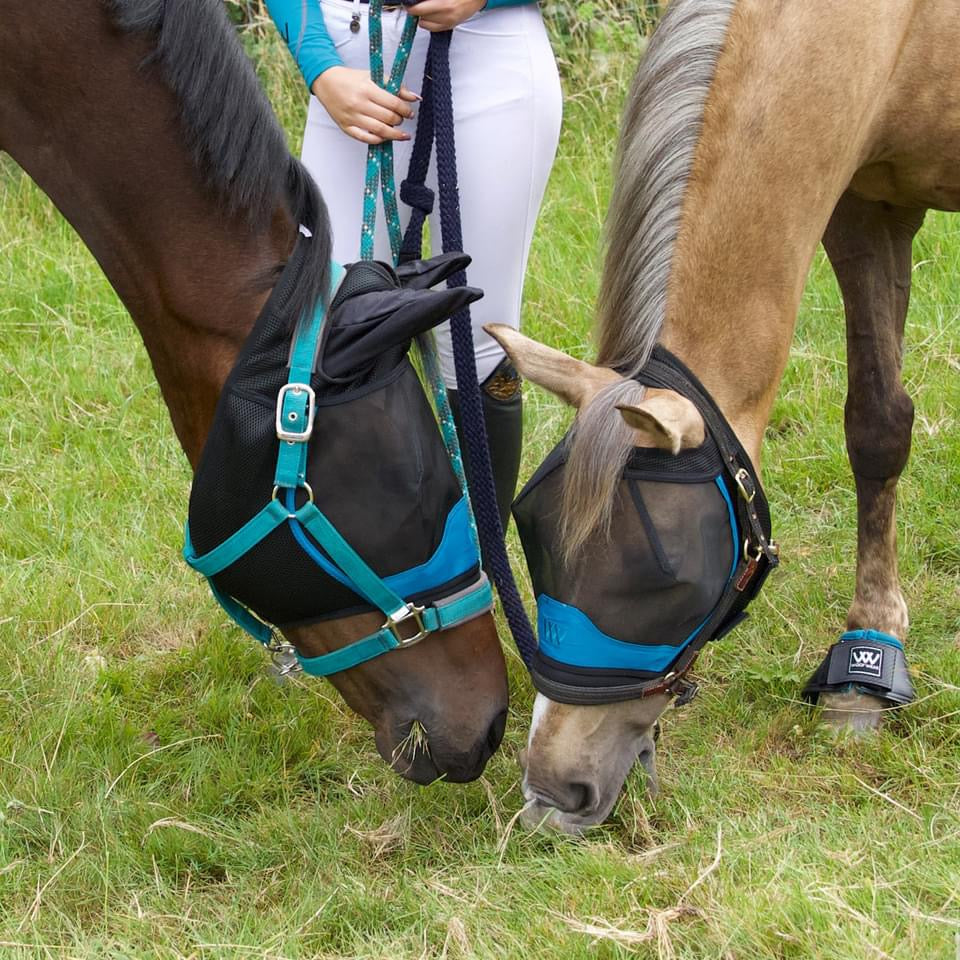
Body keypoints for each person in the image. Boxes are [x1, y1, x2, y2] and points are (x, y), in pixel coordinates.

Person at [265, 0, 562, 527]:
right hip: (347, 60)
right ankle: (359, 569)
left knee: (478, 342)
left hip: (489, 53)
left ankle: (474, 572)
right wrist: (321, 67)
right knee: (329, 331)